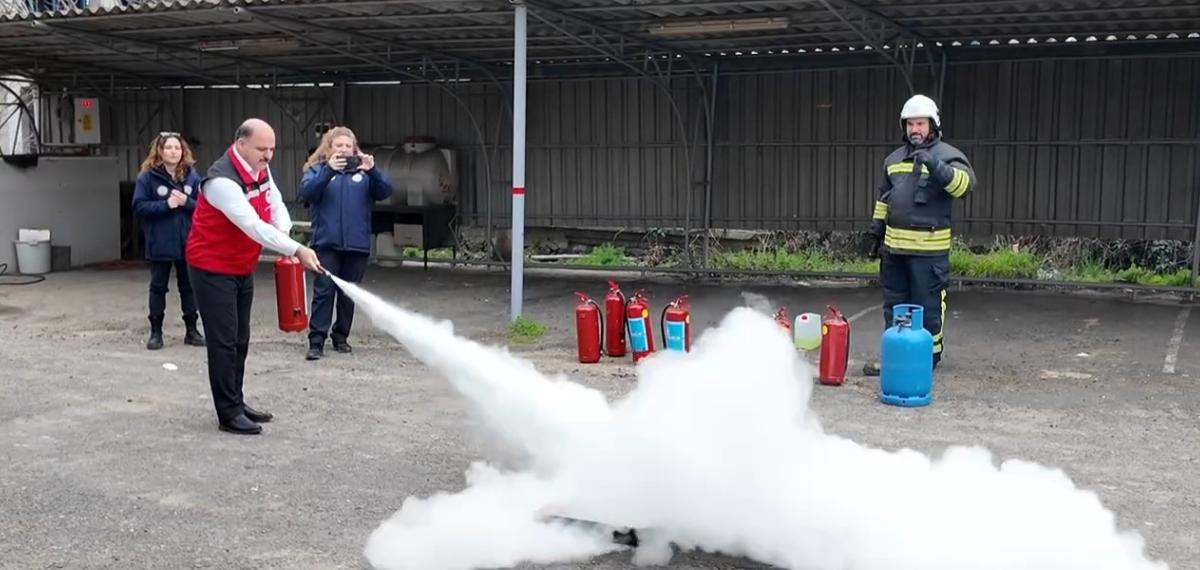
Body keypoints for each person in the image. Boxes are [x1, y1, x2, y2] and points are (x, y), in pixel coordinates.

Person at [185, 118, 324, 435]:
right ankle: (228, 413)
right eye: (262, 149)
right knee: (223, 342)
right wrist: (297, 250)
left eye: (272, 149)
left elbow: (275, 203)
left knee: (240, 340)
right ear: (241, 144)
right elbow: (252, 226)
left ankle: (236, 399)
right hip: (211, 267)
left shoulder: (259, 167)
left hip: (239, 265)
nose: (268, 155)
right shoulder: (221, 182)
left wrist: (285, 234)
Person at [863, 94, 976, 376]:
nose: (915, 129)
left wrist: (936, 166)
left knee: (927, 309)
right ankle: (898, 356)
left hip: (929, 255)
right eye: (910, 124)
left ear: (933, 125)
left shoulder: (948, 155)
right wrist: (875, 231)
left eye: (921, 124)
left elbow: (963, 187)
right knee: (895, 307)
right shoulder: (893, 160)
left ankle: (928, 359)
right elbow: (884, 198)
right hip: (895, 252)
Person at [298, 126, 394, 361]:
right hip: (326, 243)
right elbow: (307, 193)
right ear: (329, 148)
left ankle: (341, 336)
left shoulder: (364, 174)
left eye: (347, 146)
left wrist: (373, 172)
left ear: (354, 149)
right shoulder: (317, 170)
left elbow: (385, 191)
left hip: (356, 244)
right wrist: (328, 172)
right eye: (338, 145)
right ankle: (316, 341)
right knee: (323, 292)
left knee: (349, 293)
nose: (343, 150)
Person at [132, 132, 205, 350]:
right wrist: (166, 206)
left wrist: (187, 203)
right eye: (169, 147)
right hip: (160, 242)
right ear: (160, 151)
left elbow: (205, 207)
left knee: (189, 287)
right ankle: (156, 332)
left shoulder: (192, 176)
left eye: (177, 148)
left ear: (183, 152)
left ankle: (191, 330)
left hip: (188, 242)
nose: (174, 151)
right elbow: (139, 207)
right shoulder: (147, 178)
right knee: (158, 287)